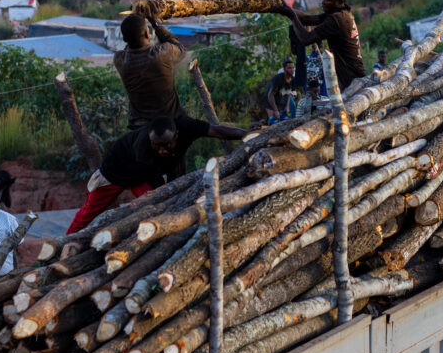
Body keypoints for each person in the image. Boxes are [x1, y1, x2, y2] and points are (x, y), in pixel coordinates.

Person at [67, 115, 247, 234]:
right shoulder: (142, 148)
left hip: (141, 174)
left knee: (155, 209)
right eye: (157, 146)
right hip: (116, 171)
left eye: (166, 145)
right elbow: (157, 187)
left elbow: (217, 130)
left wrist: (246, 135)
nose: (161, 150)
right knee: (89, 213)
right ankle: (66, 241)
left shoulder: (186, 125)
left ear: (176, 135)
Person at [282, 0, 366, 90]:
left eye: (327, 0)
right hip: (355, 78)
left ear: (339, 1)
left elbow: (306, 39)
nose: (323, 2)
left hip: (352, 81)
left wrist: (292, 16)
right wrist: (284, 8)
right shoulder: (342, 13)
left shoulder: (336, 20)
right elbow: (307, 19)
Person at [114, 13, 186, 130]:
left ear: (124, 39)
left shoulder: (119, 60)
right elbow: (179, 47)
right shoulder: (161, 54)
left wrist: (135, 24)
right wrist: (155, 23)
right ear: (148, 33)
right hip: (171, 122)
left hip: (139, 126)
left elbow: (129, 48)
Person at [264, 58, 295, 125]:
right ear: (284, 69)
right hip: (269, 101)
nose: (292, 70)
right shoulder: (278, 79)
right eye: (289, 68)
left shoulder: (292, 79)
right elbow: (270, 95)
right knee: (273, 122)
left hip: (280, 101)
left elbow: (289, 93)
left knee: (285, 122)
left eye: (293, 68)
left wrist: (287, 106)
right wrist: (275, 110)